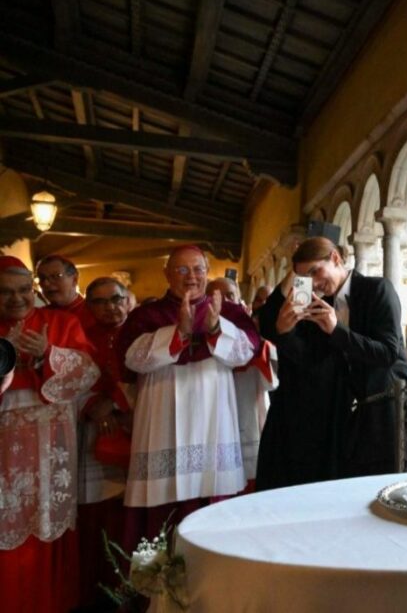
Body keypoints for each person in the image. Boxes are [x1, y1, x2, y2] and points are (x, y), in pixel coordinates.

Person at [256, 237, 407, 490]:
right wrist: (286, 332)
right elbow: (307, 358)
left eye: (316, 271)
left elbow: (388, 353)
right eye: (305, 277)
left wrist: (337, 330)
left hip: (391, 409)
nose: (314, 283)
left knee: (392, 491)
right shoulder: (315, 304)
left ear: (336, 258)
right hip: (350, 419)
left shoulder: (377, 289)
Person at [117, 246, 259, 542]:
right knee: (163, 498)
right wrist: (178, 333)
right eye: (181, 270)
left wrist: (217, 327)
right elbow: (131, 358)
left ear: (207, 273)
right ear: (167, 274)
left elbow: (245, 353)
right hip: (162, 417)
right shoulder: (147, 315)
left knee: (212, 489)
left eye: (197, 269)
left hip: (214, 417)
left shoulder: (229, 311)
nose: (191, 277)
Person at [0, 256, 99, 613]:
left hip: (49, 442)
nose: (17, 299)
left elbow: (88, 373)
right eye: (6, 292)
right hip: (5, 451)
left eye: (24, 290)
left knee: (46, 517)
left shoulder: (61, 321)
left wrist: (48, 355)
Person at [79, 277, 134, 607]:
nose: (109, 307)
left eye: (115, 299)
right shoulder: (81, 337)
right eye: (99, 302)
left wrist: (114, 403)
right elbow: (73, 382)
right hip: (97, 438)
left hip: (139, 425)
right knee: (102, 515)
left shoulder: (142, 334)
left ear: (127, 300)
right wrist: (93, 406)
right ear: (89, 307)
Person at [207, 277, 276, 486]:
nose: (226, 301)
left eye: (230, 295)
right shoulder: (199, 326)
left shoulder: (250, 326)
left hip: (248, 396)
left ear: (239, 298)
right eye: (218, 296)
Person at [36, 254, 95, 330]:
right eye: (42, 278)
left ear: (74, 279)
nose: (46, 283)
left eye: (56, 276)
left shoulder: (93, 312)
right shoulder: (40, 315)